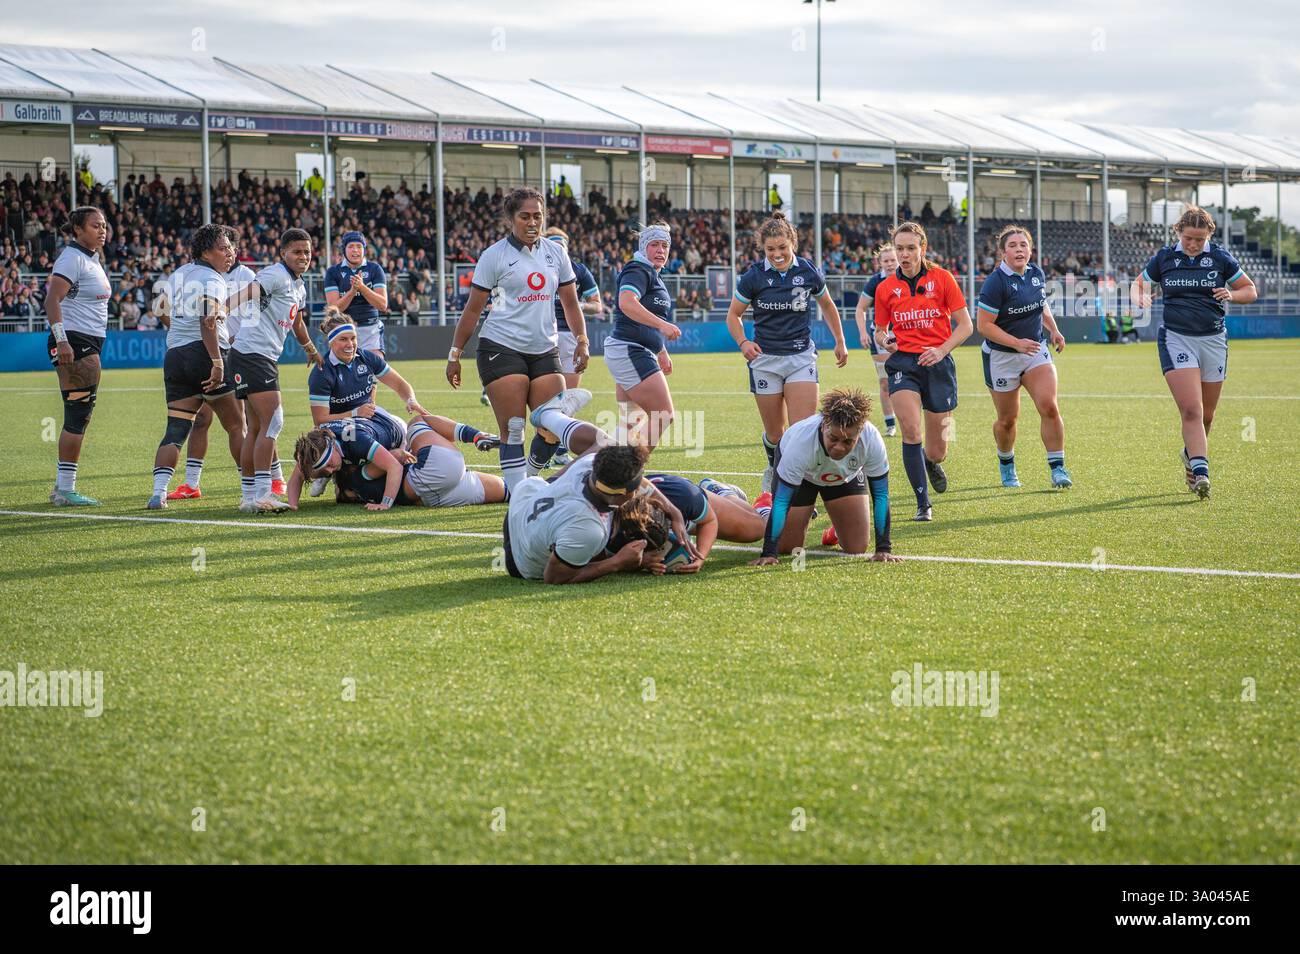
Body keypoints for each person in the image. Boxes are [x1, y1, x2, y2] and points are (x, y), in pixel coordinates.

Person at [446, 187, 588, 494]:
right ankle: (517, 498)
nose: (532, 222)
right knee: (513, 429)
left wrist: (582, 340)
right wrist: (455, 355)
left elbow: (571, 303)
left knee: (551, 426)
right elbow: (472, 310)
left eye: (537, 216)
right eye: (525, 216)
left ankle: (528, 477)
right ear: (511, 219)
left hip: (544, 350)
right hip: (501, 348)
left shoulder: (556, 252)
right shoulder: (493, 256)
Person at [1130, 206, 1256, 498]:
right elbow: (1138, 284)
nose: (1193, 244)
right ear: (1178, 232)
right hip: (1176, 339)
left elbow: (1249, 290)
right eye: (1188, 238)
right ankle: (1201, 473)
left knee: (1207, 415)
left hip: (1213, 340)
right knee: (1192, 410)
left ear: (1209, 235)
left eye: (1200, 239)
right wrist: (1141, 297)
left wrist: (1232, 294)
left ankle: (1191, 455)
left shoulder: (1220, 257)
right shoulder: (1165, 257)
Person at [727, 211, 848, 492]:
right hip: (765, 362)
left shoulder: (807, 271)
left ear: (792, 242)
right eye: (771, 249)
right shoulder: (753, 277)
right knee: (775, 434)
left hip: (800, 358)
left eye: (782, 247)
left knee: (802, 432)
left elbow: (828, 306)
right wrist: (744, 343)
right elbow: (733, 315)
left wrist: (840, 340)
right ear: (763, 249)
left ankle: (799, 492)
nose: (777, 254)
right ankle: (774, 468)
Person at [873, 221, 972, 521]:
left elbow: (967, 326)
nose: (904, 254)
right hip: (903, 364)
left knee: (939, 448)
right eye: (899, 248)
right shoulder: (885, 288)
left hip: (939, 364)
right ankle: (922, 503)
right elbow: (879, 330)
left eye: (910, 248)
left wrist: (941, 349)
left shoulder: (943, 279)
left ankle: (931, 462)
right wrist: (884, 340)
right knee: (911, 430)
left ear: (922, 249)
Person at [145, 224, 248, 509]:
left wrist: (178, 330)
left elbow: (160, 309)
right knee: (237, 425)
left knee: (176, 429)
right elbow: (208, 321)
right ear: (206, 251)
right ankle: (252, 493)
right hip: (207, 353)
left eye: (231, 248)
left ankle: (158, 492)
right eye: (224, 248)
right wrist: (216, 362)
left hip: (176, 355)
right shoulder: (213, 279)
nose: (231, 253)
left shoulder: (180, 273)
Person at [502, 441, 700, 584]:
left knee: (541, 489)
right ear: (624, 493)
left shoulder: (591, 463)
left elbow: (639, 484)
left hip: (520, 505)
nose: (642, 488)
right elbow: (554, 577)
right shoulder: (590, 527)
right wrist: (617, 563)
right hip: (520, 561)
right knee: (591, 546)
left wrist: (673, 512)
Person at [225, 228, 323, 514]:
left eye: (307, 251)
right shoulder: (276, 274)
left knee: (256, 427)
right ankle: (264, 493)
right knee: (273, 422)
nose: (303, 257)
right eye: (297, 251)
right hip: (254, 354)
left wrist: (310, 348)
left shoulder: (298, 286)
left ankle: (249, 496)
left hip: (253, 355)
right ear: (283, 253)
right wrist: (224, 307)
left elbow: (297, 322)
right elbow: (250, 291)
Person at [751, 387, 898, 565]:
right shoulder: (801, 443)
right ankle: (765, 507)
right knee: (787, 547)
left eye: (848, 441)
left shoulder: (872, 440)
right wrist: (769, 552)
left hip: (844, 476)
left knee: (857, 547)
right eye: (833, 438)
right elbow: (782, 501)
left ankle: (838, 528)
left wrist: (883, 548)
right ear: (824, 425)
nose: (839, 447)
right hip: (804, 478)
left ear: (859, 434)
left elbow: (881, 495)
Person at [975, 225, 1071, 489]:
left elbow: (1041, 304)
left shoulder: (1036, 273)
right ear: (1003, 252)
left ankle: (1058, 468)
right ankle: (1006, 463)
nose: (1019, 249)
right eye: (1013, 245)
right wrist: (1016, 343)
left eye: (1023, 245)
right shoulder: (995, 282)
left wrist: (1054, 330)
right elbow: (984, 326)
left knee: (1049, 406)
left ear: (1030, 249)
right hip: (1002, 357)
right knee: (1007, 421)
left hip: (1035, 351)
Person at [289, 412, 502, 510]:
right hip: (434, 471)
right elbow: (395, 462)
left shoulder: (354, 450)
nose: (330, 469)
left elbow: (300, 473)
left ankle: (523, 485)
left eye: (328, 466)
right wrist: (386, 504)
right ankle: (475, 435)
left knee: (507, 491)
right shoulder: (359, 474)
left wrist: (293, 506)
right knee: (419, 420)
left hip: (433, 499)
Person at [43, 206, 112, 506]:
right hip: (75, 341)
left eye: (104, 225)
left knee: (79, 415)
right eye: (95, 226)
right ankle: (65, 490)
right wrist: (63, 341)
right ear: (78, 231)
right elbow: (51, 300)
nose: (102, 230)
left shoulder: (91, 259)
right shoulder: (72, 258)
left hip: (86, 342)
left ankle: (62, 487)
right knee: (78, 416)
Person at [603, 222, 681, 451]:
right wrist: (663, 325)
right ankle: (625, 473)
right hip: (629, 349)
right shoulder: (638, 269)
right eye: (654, 245)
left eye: (665, 245)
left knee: (629, 425)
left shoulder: (651, 273)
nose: (661, 250)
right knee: (664, 415)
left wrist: (661, 351)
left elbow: (647, 318)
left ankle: (587, 473)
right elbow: (627, 302)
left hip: (633, 351)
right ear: (643, 247)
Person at [543, 227, 603, 467]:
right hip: (544, 333)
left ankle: (558, 449)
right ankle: (542, 449)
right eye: (553, 244)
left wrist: (575, 305)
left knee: (567, 397)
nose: (559, 249)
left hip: (571, 336)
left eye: (562, 244)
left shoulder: (579, 271)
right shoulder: (538, 269)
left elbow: (597, 305)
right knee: (545, 396)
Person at [644, 473, 766, 570]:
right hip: (667, 511)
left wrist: (700, 557)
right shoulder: (627, 525)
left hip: (682, 495)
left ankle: (723, 492)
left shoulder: (683, 496)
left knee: (757, 529)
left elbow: (709, 521)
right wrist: (641, 561)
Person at [854, 243, 898, 437]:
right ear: (879, 263)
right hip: (881, 335)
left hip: (907, 334)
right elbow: (860, 308)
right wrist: (863, 332)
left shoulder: (908, 277)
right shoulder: (875, 282)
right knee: (885, 382)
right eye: (886, 261)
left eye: (893, 260)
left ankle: (912, 417)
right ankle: (890, 424)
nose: (890, 264)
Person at [324, 231, 388, 357]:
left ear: (364, 249)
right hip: (343, 329)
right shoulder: (333, 272)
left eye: (359, 247)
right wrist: (352, 291)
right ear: (344, 250)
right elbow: (334, 309)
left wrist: (362, 288)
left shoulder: (375, 269)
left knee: (375, 369)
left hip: (370, 328)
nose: (355, 250)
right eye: (351, 246)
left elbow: (383, 305)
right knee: (344, 374)